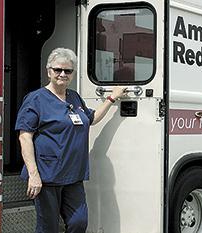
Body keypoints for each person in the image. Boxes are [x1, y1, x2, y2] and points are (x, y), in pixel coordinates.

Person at [15, 48, 126, 233]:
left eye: (68, 71)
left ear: (73, 74)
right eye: (58, 70)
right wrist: (34, 175)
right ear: (48, 71)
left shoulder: (74, 97)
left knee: (79, 222)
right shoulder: (36, 99)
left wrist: (111, 98)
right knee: (47, 228)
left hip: (73, 176)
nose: (62, 74)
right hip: (47, 176)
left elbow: (91, 118)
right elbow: (25, 136)